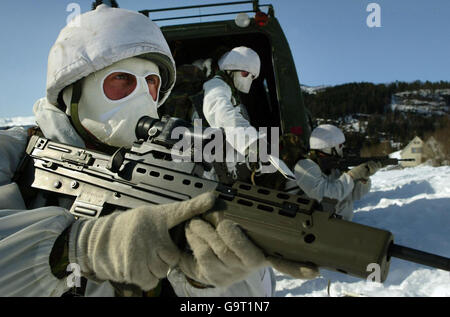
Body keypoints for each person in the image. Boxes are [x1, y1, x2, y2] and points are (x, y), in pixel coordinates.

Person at [0, 5, 317, 297]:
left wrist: (202, 281)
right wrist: (75, 249)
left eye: (151, 82)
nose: (141, 95)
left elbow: (249, 298)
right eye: (122, 79)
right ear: (73, 90)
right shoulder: (13, 155)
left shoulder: (172, 169)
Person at [292, 124, 382, 221]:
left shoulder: (334, 167)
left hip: (340, 225)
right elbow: (327, 196)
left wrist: (364, 178)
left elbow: (354, 194)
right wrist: (351, 175)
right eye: (340, 145)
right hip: (317, 227)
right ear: (327, 147)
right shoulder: (304, 167)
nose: (343, 147)